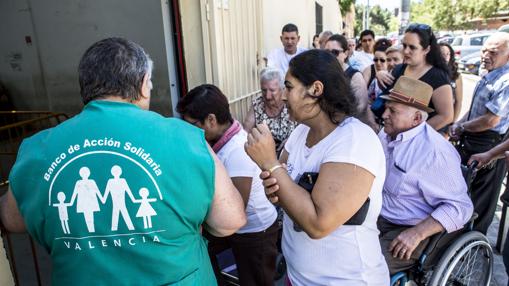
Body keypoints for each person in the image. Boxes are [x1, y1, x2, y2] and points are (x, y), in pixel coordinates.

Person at [0, 37, 246, 285]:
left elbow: (12, 220)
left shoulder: (37, 149)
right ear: (142, 85)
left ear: (86, 88)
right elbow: (230, 221)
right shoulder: (186, 138)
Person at [245, 49, 389, 285]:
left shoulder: (354, 141)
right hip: (299, 276)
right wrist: (276, 187)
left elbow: (318, 224)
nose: (282, 96)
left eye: (289, 87)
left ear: (316, 90)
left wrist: (269, 162)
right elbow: (279, 188)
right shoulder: (301, 132)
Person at [177, 84, 278, 286]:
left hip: (255, 233)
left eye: (191, 124)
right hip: (239, 229)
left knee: (256, 281)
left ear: (211, 120)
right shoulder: (225, 139)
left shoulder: (237, 151)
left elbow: (235, 208)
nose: (187, 130)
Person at [377, 76, 473, 274]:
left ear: (417, 119)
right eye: (386, 108)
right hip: (378, 215)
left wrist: (417, 233)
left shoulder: (434, 153)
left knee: (364, 270)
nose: (384, 115)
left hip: (409, 227)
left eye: (392, 111)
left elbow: (460, 208)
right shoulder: (386, 135)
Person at [451, 32, 509, 234]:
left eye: (493, 52)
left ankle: (474, 245)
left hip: (489, 143)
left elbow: (491, 119)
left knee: (481, 201)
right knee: (463, 192)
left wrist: (462, 127)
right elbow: (477, 109)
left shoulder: (506, 80)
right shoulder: (489, 75)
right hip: (472, 139)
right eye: (484, 50)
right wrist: (460, 124)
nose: (485, 55)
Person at [377, 23, 454, 131]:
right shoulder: (398, 69)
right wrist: (380, 75)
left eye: (412, 47)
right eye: (404, 46)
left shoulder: (438, 77)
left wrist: (414, 135)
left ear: (426, 50)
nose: (406, 51)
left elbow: (446, 116)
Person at [324, 34, 377, 130]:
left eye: (335, 52)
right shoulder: (324, 73)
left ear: (346, 53)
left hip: (352, 129)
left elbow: (359, 108)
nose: (330, 56)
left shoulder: (355, 77)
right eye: (327, 52)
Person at [243, 67, 297, 153]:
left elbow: (303, 131)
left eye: (272, 90)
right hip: (263, 154)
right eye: (264, 90)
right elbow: (245, 132)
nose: (267, 96)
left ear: (282, 89)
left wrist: (290, 141)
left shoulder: (291, 103)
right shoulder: (257, 104)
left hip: (289, 153)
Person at [439, 42, 463, 123]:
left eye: (448, 54)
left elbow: (458, 101)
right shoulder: (430, 72)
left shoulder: (456, 76)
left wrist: (452, 122)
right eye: (442, 54)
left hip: (446, 120)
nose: (445, 57)